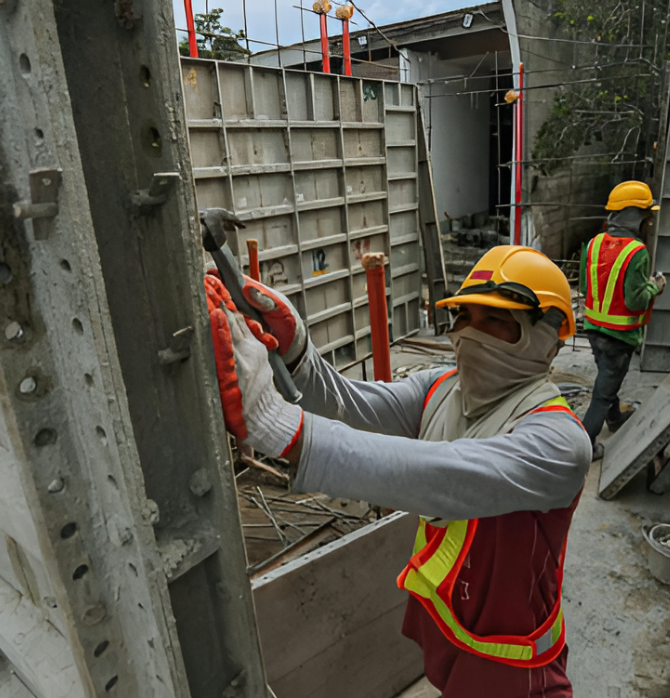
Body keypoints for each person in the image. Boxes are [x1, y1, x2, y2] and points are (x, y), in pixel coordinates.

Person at [204, 245, 592, 697]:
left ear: (546, 337)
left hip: (516, 664)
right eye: (463, 317)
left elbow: (446, 479)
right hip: (450, 631)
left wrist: (285, 431)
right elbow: (354, 406)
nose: (469, 334)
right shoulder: (441, 387)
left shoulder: (560, 442)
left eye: (495, 321)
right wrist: (297, 353)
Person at [580, 181, 666, 461]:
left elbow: (583, 285)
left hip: (593, 329)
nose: (649, 223)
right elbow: (636, 301)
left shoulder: (593, 244)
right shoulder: (636, 251)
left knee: (607, 379)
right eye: (647, 216)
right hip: (619, 336)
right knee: (602, 394)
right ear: (635, 216)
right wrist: (655, 286)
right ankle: (584, 446)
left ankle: (614, 418)